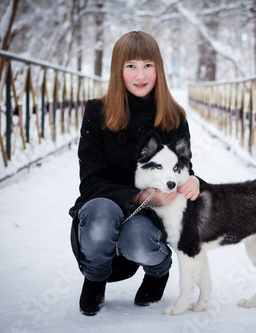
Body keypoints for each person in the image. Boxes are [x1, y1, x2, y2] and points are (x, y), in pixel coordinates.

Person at [68, 31, 200, 316]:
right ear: (118, 70)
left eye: (148, 65)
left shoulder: (174, 116)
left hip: (150, 218)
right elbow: (90, 181)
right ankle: (95, 278)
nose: (141, 75)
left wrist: (194, 182)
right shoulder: (97, 112)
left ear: (159, 69)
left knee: (138, 237)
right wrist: (140, 195)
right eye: (131, 66)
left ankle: (157, 271)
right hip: (105, 204)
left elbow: (184, 170)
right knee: (100, 216)